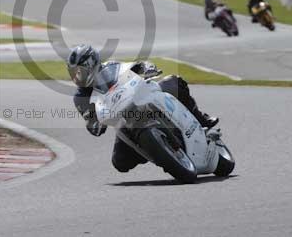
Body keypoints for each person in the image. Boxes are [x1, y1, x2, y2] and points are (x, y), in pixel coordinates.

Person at [67, 44, 219, 173]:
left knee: (174, 82)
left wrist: (147, 67)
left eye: (80, 72)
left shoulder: (111, 66)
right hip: (123, 121)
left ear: (92, 64)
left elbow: (135, 67)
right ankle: (158, 149)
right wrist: (94, 124)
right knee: (120, 162)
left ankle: (200, 118)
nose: (77, 78)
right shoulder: (80, 97)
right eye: (73, 73)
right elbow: (91, 121)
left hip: (140, 99)